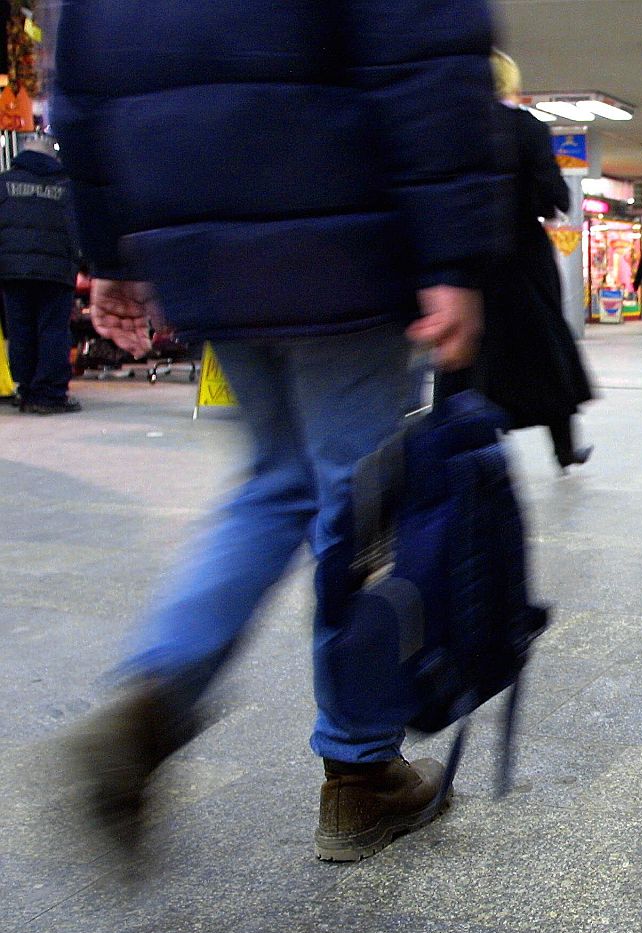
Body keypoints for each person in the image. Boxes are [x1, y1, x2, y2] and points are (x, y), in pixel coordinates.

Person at [54, 0, 507, 865]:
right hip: (344, 243)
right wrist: (452, 257)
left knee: (276, 481)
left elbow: (79, 98)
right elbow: (428, 61)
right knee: (359, 505)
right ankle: (361, 768)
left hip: (203, 252)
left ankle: (161, 681)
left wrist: (108, 252)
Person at [437, 51, 592, 472]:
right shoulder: (528, 128)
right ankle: (564, 449)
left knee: (471, 359)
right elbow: (553, 197)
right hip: (523, 257)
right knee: (546, 352)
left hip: (468, 258)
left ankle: (473, 456)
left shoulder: (450, 129)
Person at [0, 133, 80, 415]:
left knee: (20, 331)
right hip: (56, 272)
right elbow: (77, 229)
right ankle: (49, 394)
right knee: (53, 331)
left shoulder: (3, 184)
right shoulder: (66, 185)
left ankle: (26, 390)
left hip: (13, 271)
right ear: (52, 155)